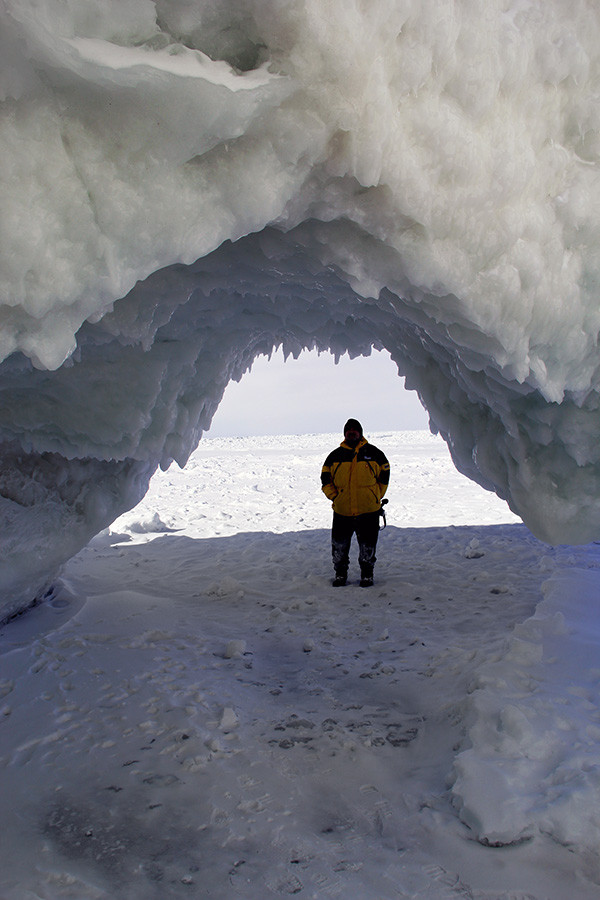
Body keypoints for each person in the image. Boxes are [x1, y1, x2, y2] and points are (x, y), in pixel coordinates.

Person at [320, 419, 390, 587]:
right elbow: (325, 479)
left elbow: (385, 475)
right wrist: (335, 497)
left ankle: (367, 575)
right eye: (348, 430)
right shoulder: (335, 456)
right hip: (342, 511)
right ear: (344, 433)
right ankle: (340, 575)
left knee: (368, 547)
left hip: (368, 511)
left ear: (361, 432)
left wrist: (375, 496)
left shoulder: (374, 453)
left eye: (355, 430)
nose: (352, 432)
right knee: (339, 547)